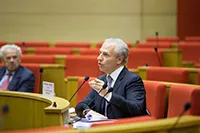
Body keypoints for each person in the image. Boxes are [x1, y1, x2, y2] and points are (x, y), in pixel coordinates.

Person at [75, 38, 148, 119]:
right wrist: (88, 112)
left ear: (119, 59)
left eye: (105, 55)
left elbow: (137, 110)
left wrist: (108, 95)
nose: (99, 58)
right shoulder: (102, 80)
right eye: (100, 53)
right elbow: (81, 105)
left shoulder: (132, 80)